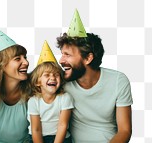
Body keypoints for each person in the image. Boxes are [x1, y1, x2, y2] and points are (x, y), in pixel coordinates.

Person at [56, 9, 133, 143]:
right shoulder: (60, 82)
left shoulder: (118, 81)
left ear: (88, 58)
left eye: (67, 55)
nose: (61, 61)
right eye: (62, 54)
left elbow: (125, 130)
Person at [27, 41, 74, 143]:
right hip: (37, 137)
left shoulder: (65, 98)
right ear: (37, 82)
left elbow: (63, 125)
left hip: (61, 138)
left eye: (56, 74)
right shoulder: (33, 101)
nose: (52, 77)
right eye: (47, 75)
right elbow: (36, 129)